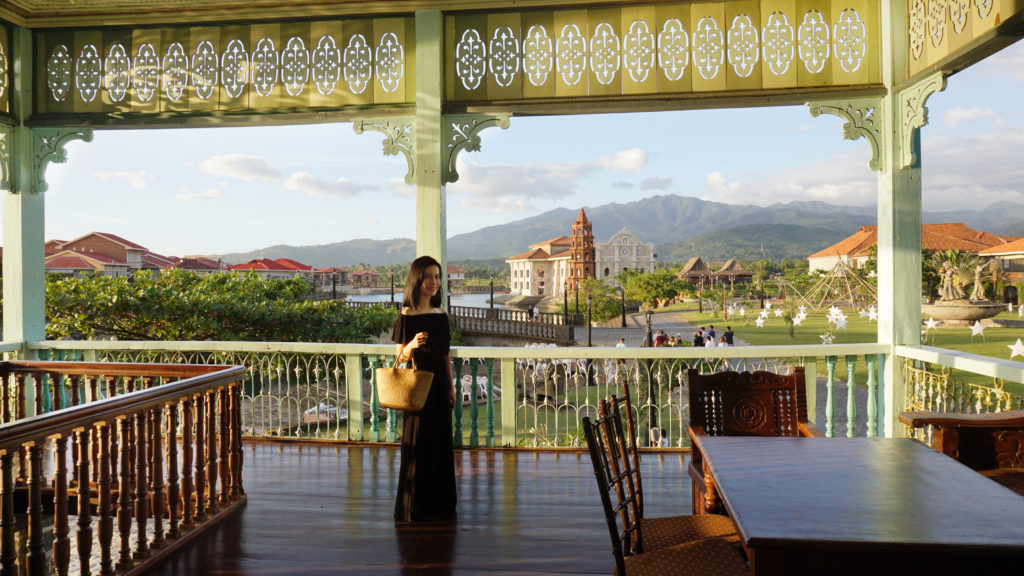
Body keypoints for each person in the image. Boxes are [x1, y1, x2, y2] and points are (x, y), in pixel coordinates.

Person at [391, 255, 457, 522]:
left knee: (441, 442)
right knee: (417, 443)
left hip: (440, 384)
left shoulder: (441, 315)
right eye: (429, 276)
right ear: (417, 280)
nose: (434, 282)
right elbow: (399, 357)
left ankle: (440, 504)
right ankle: (414, 506)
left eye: (438, 277)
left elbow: (445, 356)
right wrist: (411, 345)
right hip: (418, 385)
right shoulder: (407, 315)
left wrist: (451, 388)